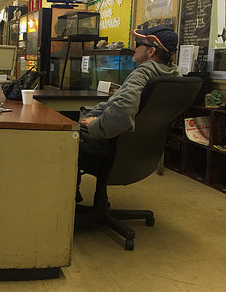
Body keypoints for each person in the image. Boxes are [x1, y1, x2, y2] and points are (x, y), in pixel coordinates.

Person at [77, 25, 182, 200]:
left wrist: (94, 125)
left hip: (113, 149)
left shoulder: (142, 75)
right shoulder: (174, 78)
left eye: (139, 43)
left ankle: (67, 203)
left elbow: (122, 114)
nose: (135, 47)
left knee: (62, 137)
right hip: (142, 153)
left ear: (151, 52)